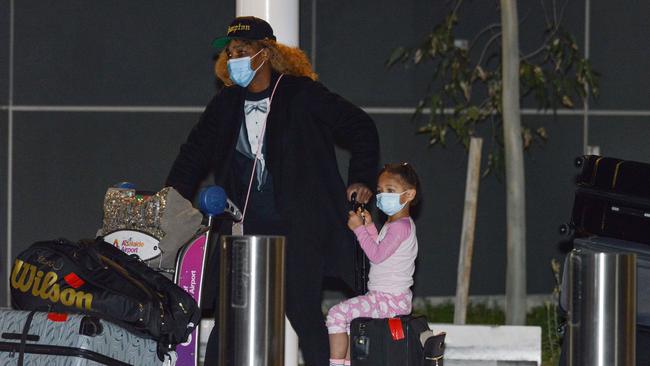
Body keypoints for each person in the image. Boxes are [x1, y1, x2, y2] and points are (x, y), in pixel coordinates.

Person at [165, 16, 379, 366]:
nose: (235, 58)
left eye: (243, 50)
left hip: (297, 227)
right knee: (230, 317)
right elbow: (193, 154)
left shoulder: (300, 94)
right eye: (231, 52)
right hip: (243, 226)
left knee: (303, 312)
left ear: (265, 53)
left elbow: (361, 126)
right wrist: (170, 199)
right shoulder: (226, 103)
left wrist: (361, 178)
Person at [326, 163, 420, 366]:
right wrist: (368, 227)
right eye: (380, 191)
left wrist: (358, 229)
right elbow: (382, 250)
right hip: (387, 297)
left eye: (390, 191)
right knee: (351, 323)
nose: (382, 195)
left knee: (336, 315)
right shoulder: (395, 225)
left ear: (409, 195)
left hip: (389, 299)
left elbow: (376, 256)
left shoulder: (400, 227)